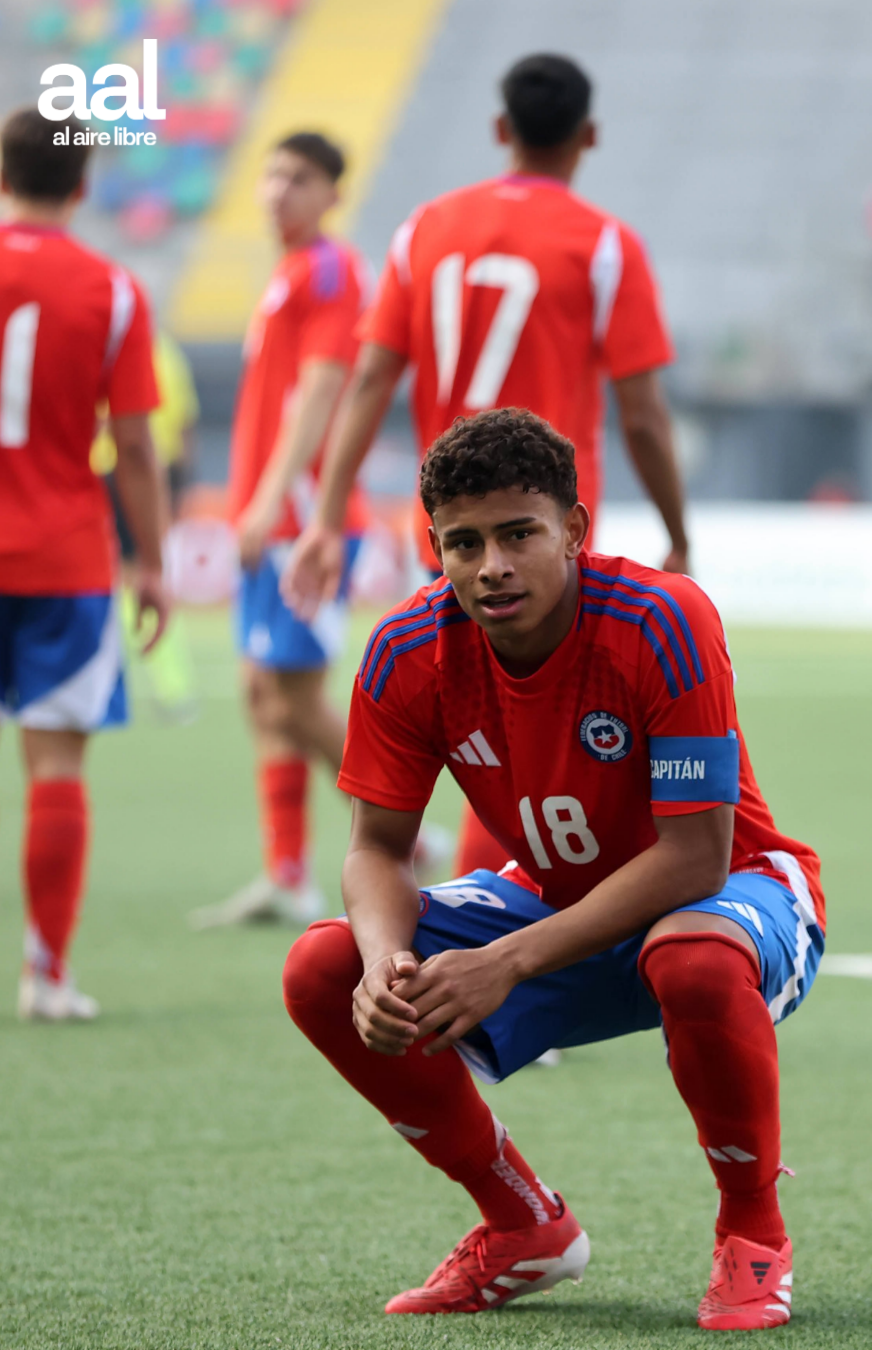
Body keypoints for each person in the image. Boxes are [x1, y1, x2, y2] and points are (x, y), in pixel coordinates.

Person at [282, 409, 825, 1330]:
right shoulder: (408, 651)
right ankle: (523, 1224)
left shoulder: (664, 617)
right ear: (436, 551)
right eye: (462, 543)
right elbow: (377, 848)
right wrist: (383, 963)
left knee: (690, 955)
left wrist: (509, 961)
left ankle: (752, 1234)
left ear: (574, 529)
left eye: (517, 533)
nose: (490, 565)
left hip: (735, 897)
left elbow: (695, 857)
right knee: (323, 970)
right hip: (558, 909)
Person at [282, 53, 689, 878]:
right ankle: (517, 922)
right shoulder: (605, 245)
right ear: (589, 137)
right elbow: (643, 414)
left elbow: (370, 377)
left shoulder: (424, 230)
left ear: (502, 131)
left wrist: (326, 519)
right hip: (544, 529)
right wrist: (680, 532)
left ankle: (476, 916)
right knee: (537, 738)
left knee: (479, 720)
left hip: (453, 524)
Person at [0, 107, 167, 1020]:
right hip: (62, 558)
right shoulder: (110, 291)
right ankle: (45, 974)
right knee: (56, 767)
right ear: (83, 183)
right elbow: (136, 447)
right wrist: (152, 561)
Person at [189, 133, 370, 928]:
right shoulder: (290, 272)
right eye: (269, 174)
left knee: (295, 700)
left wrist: (266, 502)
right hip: (274, 515)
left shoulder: (331, 270)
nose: (275, 190)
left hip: (303, 523)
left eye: (298, 178)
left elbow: (321, 391)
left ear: (332, 194)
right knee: (261, 693)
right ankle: (287, 873)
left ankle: (407, 833)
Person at [92, 328, 201, 722]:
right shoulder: (168, 355)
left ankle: (110, 676)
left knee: (117, 578)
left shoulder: (109, 350)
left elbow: (106, 423)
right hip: (160, 474)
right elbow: (186, 423)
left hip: (113, 470)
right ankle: (172, 686)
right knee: (151, 576)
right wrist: (182, 482)